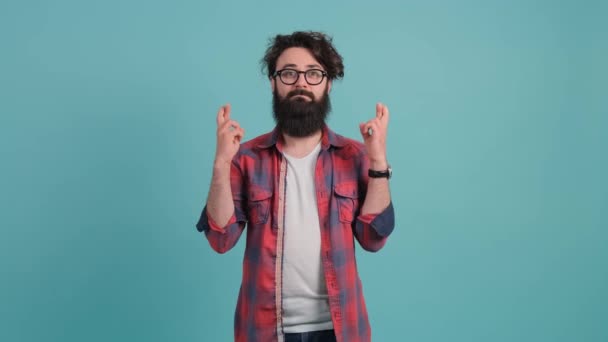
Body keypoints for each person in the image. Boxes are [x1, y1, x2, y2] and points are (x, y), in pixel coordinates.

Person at [196, 31, 395, 342]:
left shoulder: (355, 155)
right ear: (273, 82)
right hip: (264, 331)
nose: (301, 83)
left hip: (340, 330)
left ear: (328, 83)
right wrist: (221, 165)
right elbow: (220, 238)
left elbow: (373, 238)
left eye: (313, 73)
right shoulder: (245, 158)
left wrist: (378, 162)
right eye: (289, 73)